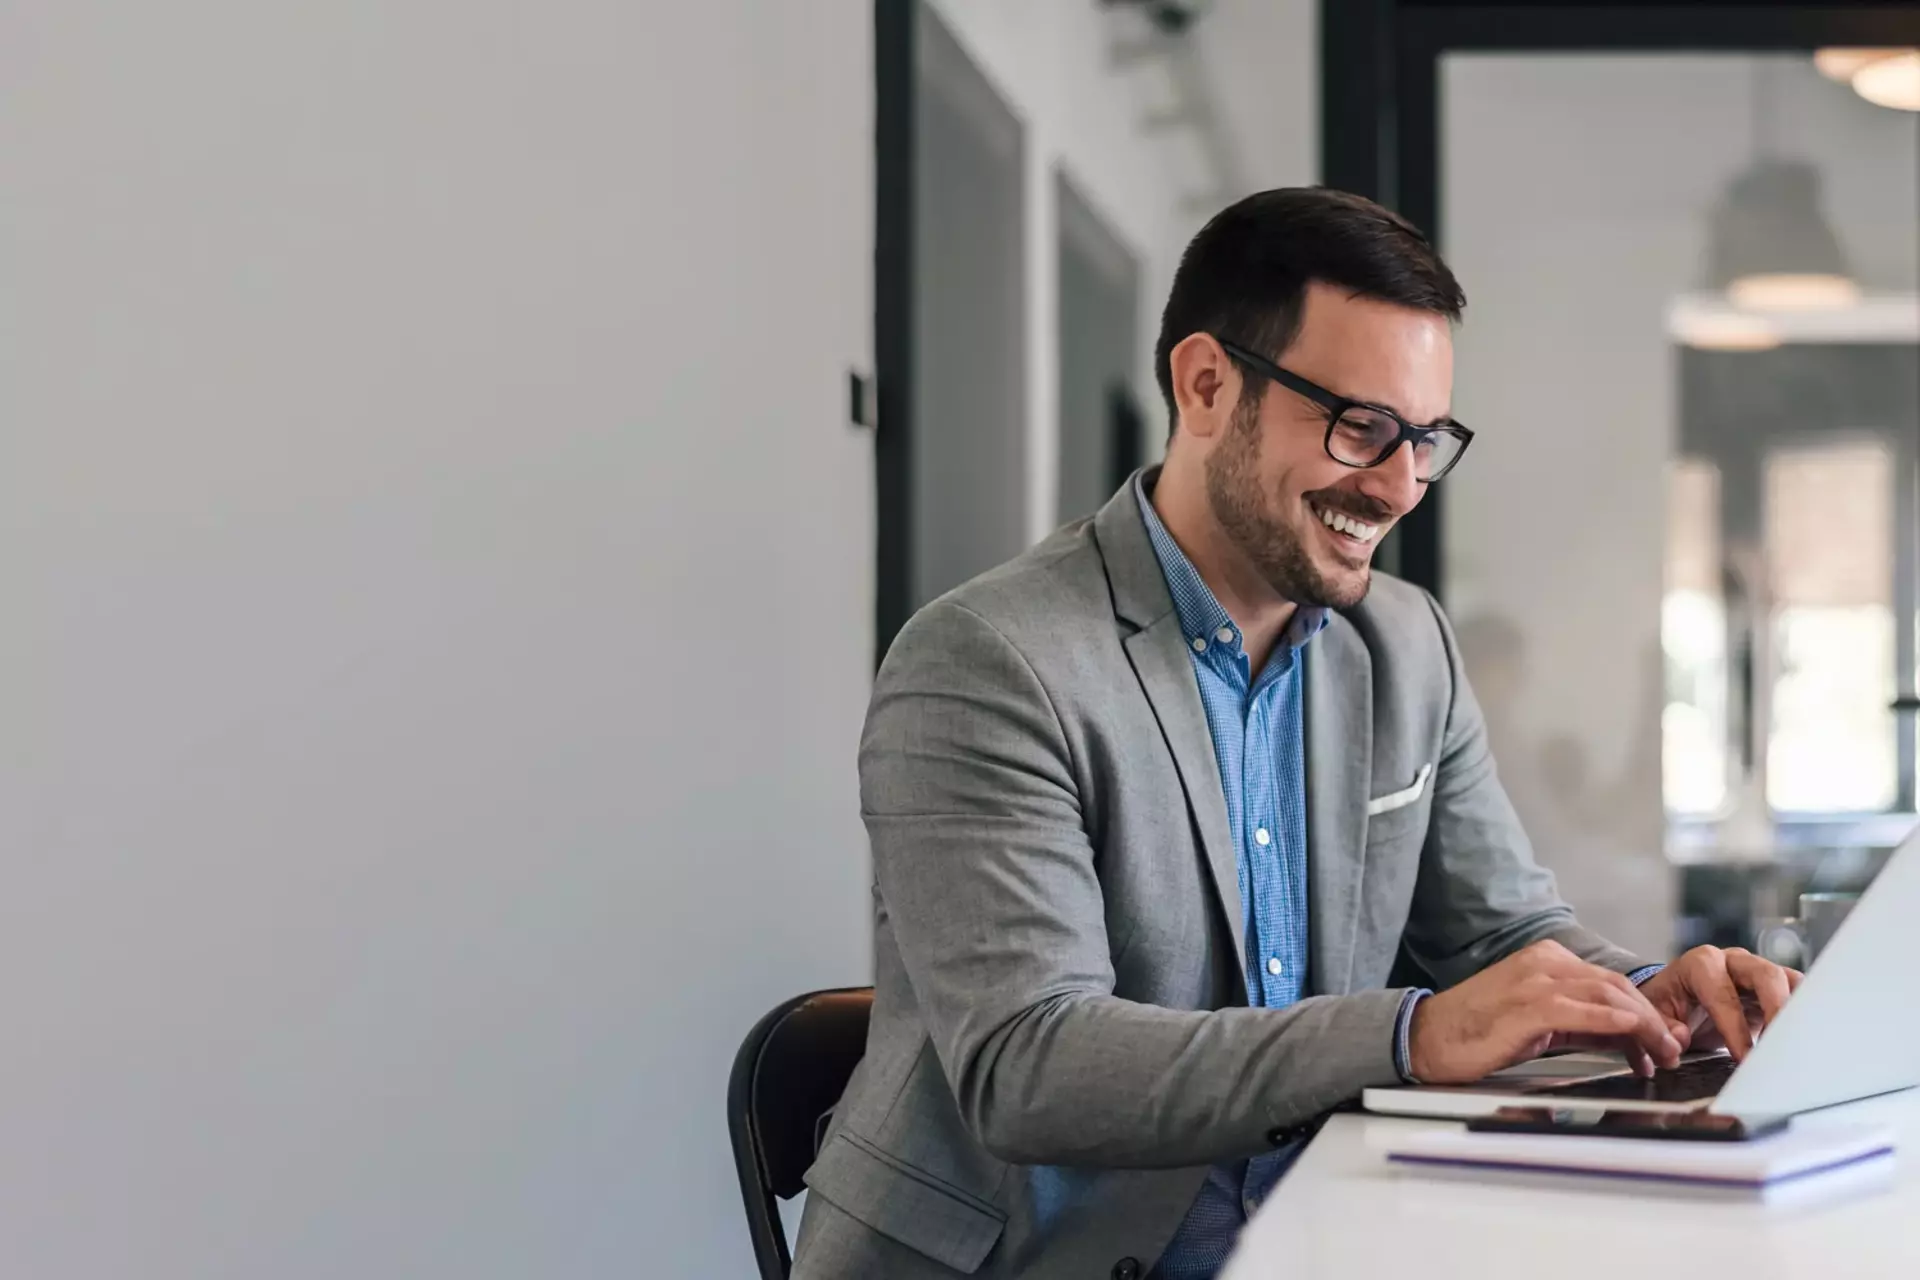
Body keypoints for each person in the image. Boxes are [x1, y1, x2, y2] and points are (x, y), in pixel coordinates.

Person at [790, 188, 1799, 1280]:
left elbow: (1503, 933)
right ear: (1208, 385)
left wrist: (1650, 995)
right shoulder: (987, 658)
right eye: (1361, 426)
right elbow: (1031, 1063)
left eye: (1427, 438)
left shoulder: (1408, 647)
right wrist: (1410, 1033)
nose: (1401, 484)